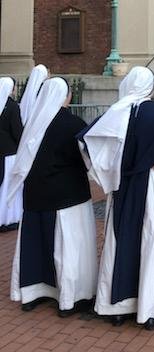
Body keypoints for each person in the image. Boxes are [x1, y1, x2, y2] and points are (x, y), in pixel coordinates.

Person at [80, 67, 154, 330]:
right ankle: (150, 308)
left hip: (123, 186)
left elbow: (86, 143)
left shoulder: (115, 112)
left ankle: (118, 307)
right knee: (153, 240)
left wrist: (106, 170)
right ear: (150, 87)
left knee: (121, 240)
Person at [9, 78, 97, 316]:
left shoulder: (33, 122)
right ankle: (70, 298)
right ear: (66, 96)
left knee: (35, 244)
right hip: (67, 196)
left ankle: (31, 294)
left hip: (36, 194)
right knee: (68, 247)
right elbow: (88, 160)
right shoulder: (72, 123)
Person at [0, 78, 23, 231]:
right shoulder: (12, 107)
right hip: (9, 152)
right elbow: (17, 131)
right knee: (8, 186)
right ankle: (8, 218)